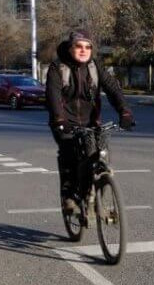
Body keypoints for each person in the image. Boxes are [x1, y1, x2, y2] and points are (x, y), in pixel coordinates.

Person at [45, 31, 136, 213]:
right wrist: (59, 119)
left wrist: (125, 112)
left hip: (90, 122)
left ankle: (95, 192)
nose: (83, 50)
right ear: (70, 48)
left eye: (87, 47)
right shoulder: (58, 67)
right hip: (65, 122)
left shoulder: (95, 67)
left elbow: (113, 89)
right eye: (78, 46)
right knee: (69, 154)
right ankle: (69, 196)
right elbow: (52, 95)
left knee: (99, 154)